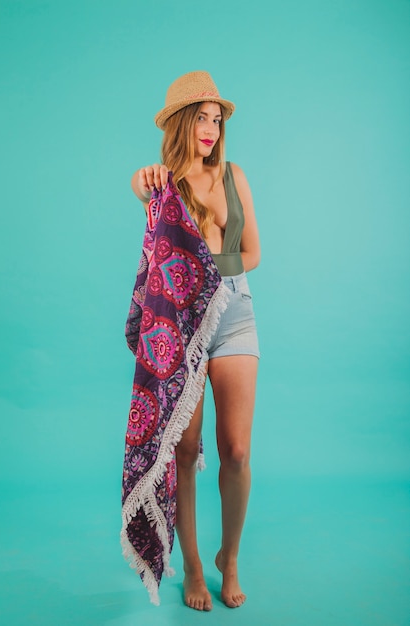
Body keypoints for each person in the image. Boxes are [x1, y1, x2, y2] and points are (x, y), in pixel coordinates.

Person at [130, 71, 260, 611]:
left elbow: (253, 253)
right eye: (201, 118)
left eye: (217, 119)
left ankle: (229, 557)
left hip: (234, 310)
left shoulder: (233, 175)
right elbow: (139, 186)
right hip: (180, 321)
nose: (211, 129)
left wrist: (212, 273)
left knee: (235, 449)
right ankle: (191, 566)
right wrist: (142, 183)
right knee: (184, 452)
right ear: (183, 122)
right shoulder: (162, 183)